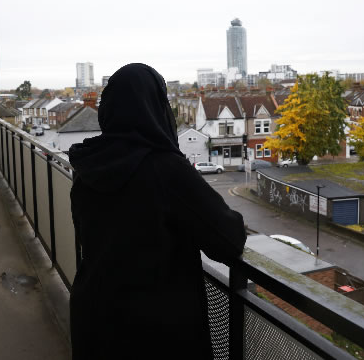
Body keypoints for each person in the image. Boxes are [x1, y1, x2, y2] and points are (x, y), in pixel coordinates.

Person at [69, 63, 246, 360]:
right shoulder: (165, 169)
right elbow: (228, 239)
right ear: (157, 108)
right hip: (155, 335)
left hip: (95, 322)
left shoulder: (88, 164)